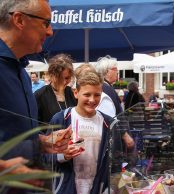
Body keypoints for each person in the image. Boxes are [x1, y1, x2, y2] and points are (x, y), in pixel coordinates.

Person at [0, 0, 71, 161]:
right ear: (19, 20)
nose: (50, 32)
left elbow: (13, 132)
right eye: (46, 23)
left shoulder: (21, 71)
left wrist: (43, 141)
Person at [49, 71, 114, 194]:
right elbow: (44, 155)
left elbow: (114, 159)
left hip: (97, 188)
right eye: (87, 94)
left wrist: (109, 188)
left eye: (97, 95)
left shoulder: (107, 123)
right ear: (76, 93)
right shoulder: (61, 119)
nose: (92, 100)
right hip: (66, 187)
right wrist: (63, 155)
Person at [95, 56, 134, 148]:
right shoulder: (106, 89)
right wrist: (125, 134)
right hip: (114, 136)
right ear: (107, 71)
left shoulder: (107, 87)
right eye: (115, 69)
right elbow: (111, 116)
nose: (117, 72)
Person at [34, 54, 77, 124]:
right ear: (52, 75)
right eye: (60, 78)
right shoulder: (40, 95)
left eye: (67, 78)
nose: (64, 82)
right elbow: (35, 123)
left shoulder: (72, 93)